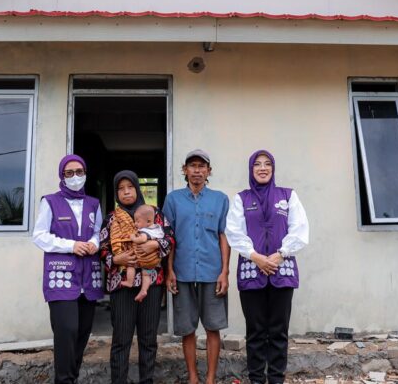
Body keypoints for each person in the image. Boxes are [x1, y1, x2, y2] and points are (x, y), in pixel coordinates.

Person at [225, 150, 309, 384]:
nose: (262, 168)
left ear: (273, 168)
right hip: (252, 271)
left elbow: (300, 229)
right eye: (257, 164)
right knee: (255, 331)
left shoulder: (288, 196)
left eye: (267, 164)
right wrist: (256, 257)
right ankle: (256, 380)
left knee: (279, 331)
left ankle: (276, 379)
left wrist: (280, 255)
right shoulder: (241, 199)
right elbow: (234, 232)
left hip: (282, 271)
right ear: (251, 169)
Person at [32, 154, 103, 384]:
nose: (75, 177)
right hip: (61, 277)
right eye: (69, 173)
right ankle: (64, 380)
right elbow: (39, 236)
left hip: (88, 278)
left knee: (82, 333)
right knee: (67, 332)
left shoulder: (94, 204)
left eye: (79, 172)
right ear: (62, 176)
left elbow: (98, 232)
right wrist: (71, 245)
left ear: (85, 174)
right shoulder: (50, 201)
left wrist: (94, 243)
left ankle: (70, 378)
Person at [100, 170, 175, 384]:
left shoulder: (154, 213)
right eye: (121, 188)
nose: (126, 192)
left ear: (137, 188)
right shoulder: (112, 219)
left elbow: (170, 238)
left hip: (152, 285)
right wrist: (117, 259)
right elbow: (102, 249)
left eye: (130, 187)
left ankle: (146, 380)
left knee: (148, 339)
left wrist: (154, 244)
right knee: (121, 340)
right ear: (116, 193)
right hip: (122, 285)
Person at [163, 149, 230, 384]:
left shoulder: (220, 199)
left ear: (209, 171)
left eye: (202, 166)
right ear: (185, 170)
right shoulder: (173, 200)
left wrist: (224, 272)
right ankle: (193, 377)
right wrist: (169, 270)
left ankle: (210, 378)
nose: (197, 170)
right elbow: (168, 238)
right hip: (181, 272)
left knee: (213, 327)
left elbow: (223, 236)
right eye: (192, 166)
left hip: (212, 272)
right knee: (187, 328)